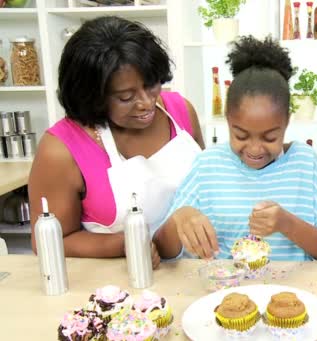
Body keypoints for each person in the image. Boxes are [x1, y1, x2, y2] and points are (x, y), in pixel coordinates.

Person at [28, 16, 204, 267]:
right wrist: (125, 244)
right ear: (92, 96)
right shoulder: (61, 149)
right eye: (125, 97)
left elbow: (208, 185)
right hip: (120, 287)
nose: (146, 103)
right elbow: (47, 240)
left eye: (151, 84)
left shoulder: (180, 111)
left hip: (198, 272)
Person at [153, 36, 317, 261]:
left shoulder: (305, 163)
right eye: (241, 135)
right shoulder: (208, 165)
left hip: (292, 293)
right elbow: (163, 250)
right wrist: (179, 218)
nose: (255, 149)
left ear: (287, 122)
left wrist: (288, 224)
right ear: (227, 120)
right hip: (226, 291)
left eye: (270, 137)